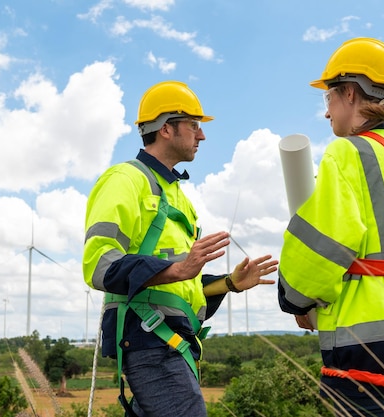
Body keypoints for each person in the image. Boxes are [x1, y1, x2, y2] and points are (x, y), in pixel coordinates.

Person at [83, 80, 278, 417]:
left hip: (173, 342)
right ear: (166, 129)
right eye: (194, 125)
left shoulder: (177, 197)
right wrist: (176, 269)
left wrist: (229, 283)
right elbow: (100, 265)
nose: (201, 136)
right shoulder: (125, 180)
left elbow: (181, 283)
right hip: (151, 340)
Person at [277, 38, 384, 416]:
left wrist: (295, 298)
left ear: (350, 94)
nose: (326, 113)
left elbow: (325, 242)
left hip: (364, 338)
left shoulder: (347, 152)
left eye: (329, 99)